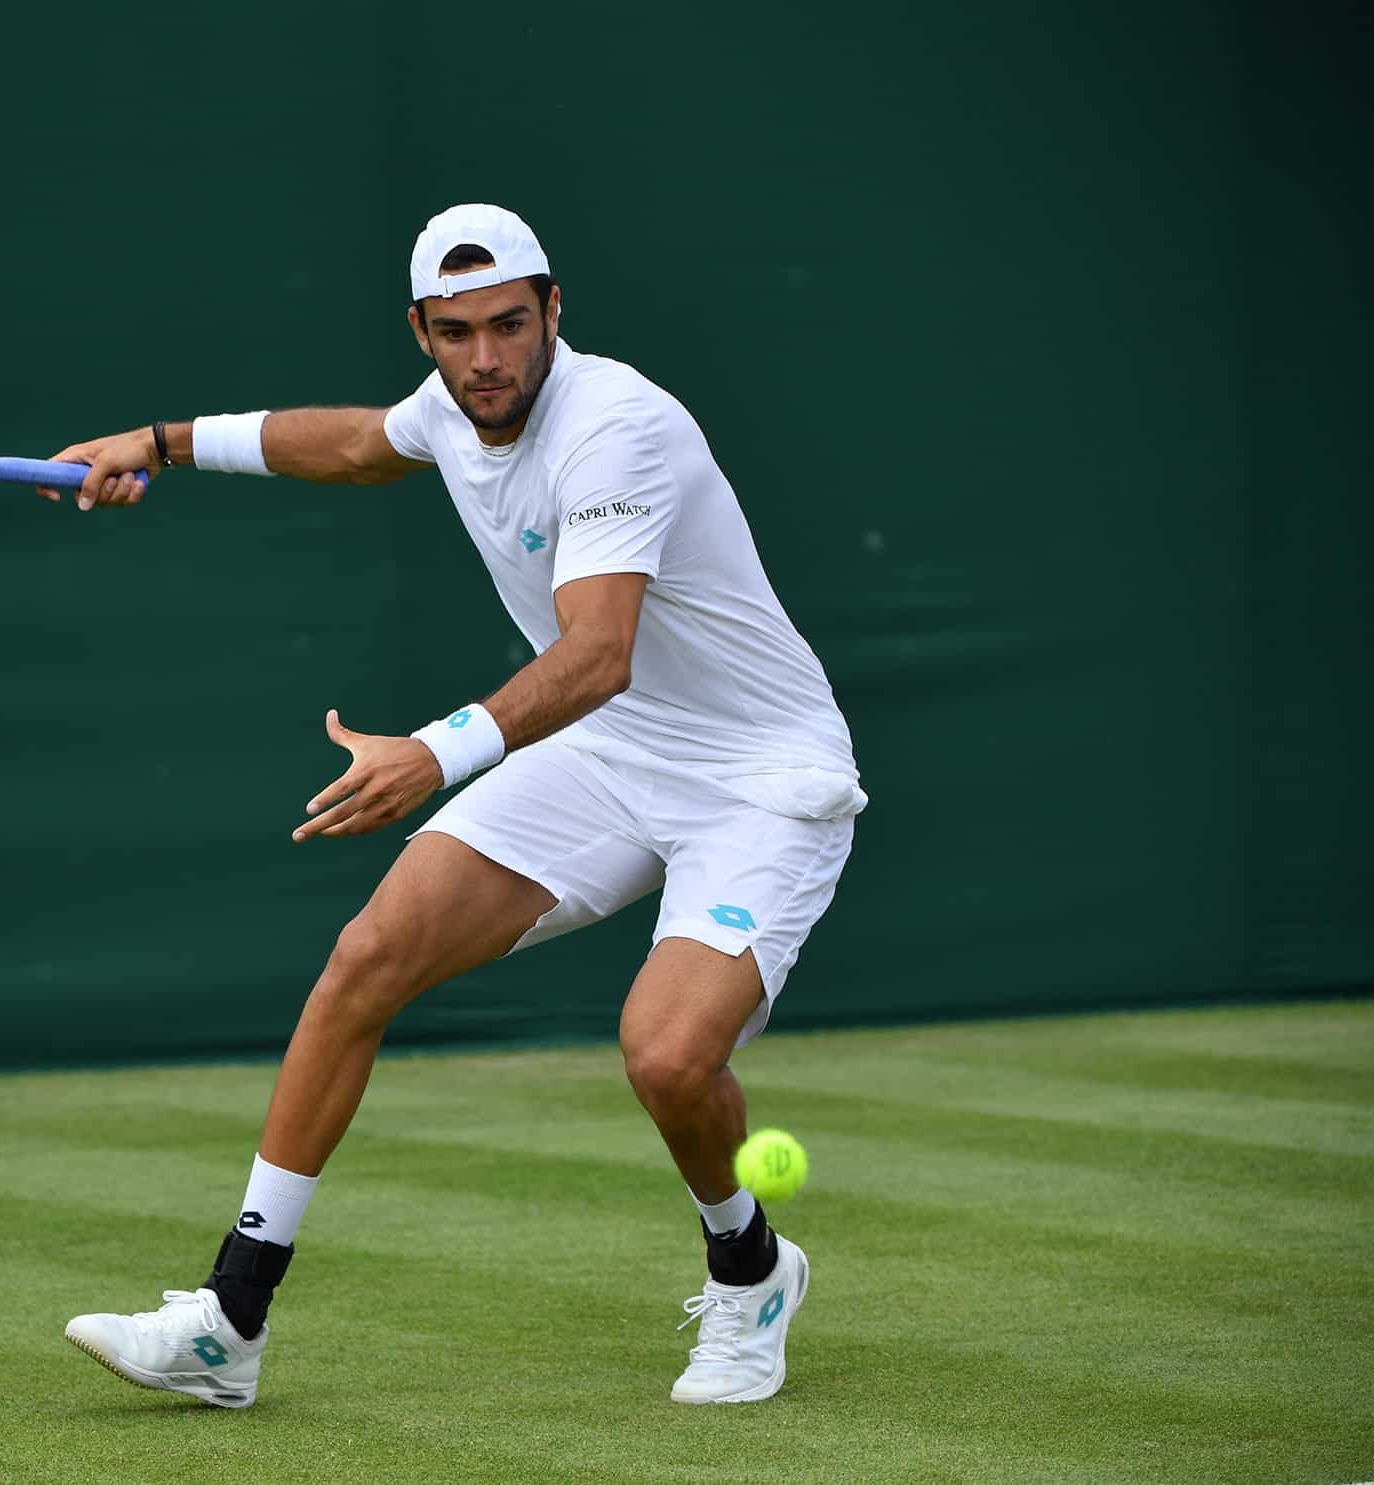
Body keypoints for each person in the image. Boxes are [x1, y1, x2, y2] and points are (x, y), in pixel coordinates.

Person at [48, 203, 865, 1408]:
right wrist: (160, 442)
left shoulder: (617, 426)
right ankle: (230, 1322)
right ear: (423, 332)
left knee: (665, 1055)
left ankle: (750, 1271)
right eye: (455, 334)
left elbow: (599, 653)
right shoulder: (452, 402)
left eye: (508, 326)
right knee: (365, 958)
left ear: (552, 312)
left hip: (759, 776)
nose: (485, 359)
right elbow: (359, 445)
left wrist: (434, 753)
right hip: (609, 754)